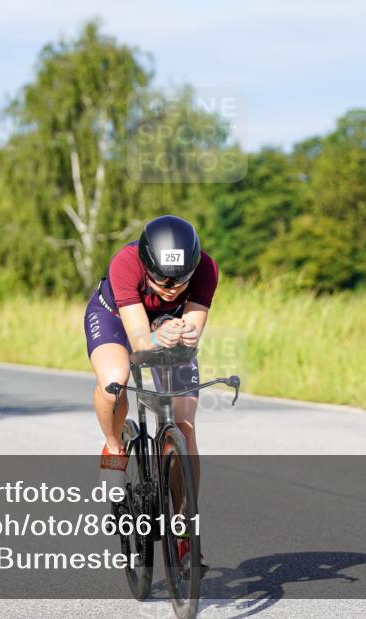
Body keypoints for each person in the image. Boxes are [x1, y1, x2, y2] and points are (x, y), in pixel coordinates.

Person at [84, 215, 218, 566]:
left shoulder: (206, 269)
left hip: (166, 323)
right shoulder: (125, 264)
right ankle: (114, 446)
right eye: (161, 277)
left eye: (181, 278)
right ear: (146, 262)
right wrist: (157, 338)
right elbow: (140, 342)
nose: (172, 286)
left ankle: (185, 527)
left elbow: (193, 329)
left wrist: (183, 334)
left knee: (185, 426)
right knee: (114, 382)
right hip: (116, 318)